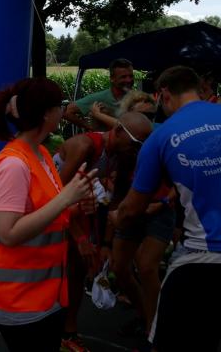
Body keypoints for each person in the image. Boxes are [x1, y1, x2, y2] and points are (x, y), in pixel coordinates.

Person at [0, 77, 96, 352]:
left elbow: (42, 211)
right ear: (46, 113)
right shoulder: (14, 165)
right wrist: (65, 199)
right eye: (60, 106)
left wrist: (74, 206)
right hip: (21, 301)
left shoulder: (41, 153)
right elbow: (8, 233)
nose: (63, 110)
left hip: (45, 295)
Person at [114, 66, 221, 352]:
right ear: (198, 89)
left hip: (204, 256)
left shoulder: (161, 138)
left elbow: (131, 209)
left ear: (164, 94)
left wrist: (114, 218)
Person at [55, 111, 153, 352]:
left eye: (142, 145)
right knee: (60, 265)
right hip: (51, 204)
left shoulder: (125, 155)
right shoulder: (85, 146)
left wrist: (106, 244)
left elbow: (116, 202)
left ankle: (68, 332)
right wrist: (80, 237)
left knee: (79, 266)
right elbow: (55, 196)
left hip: (78, 205)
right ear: (117, 131)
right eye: (136, 143)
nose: (138, 149)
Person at [64, 58, 135, 131]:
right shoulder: (100, 98)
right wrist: (88, 126)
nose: (129, 80)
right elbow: (68, 111)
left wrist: (99, 115)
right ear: (112, 78)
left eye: (131, 76)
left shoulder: (137, 98)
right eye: (123, 77)